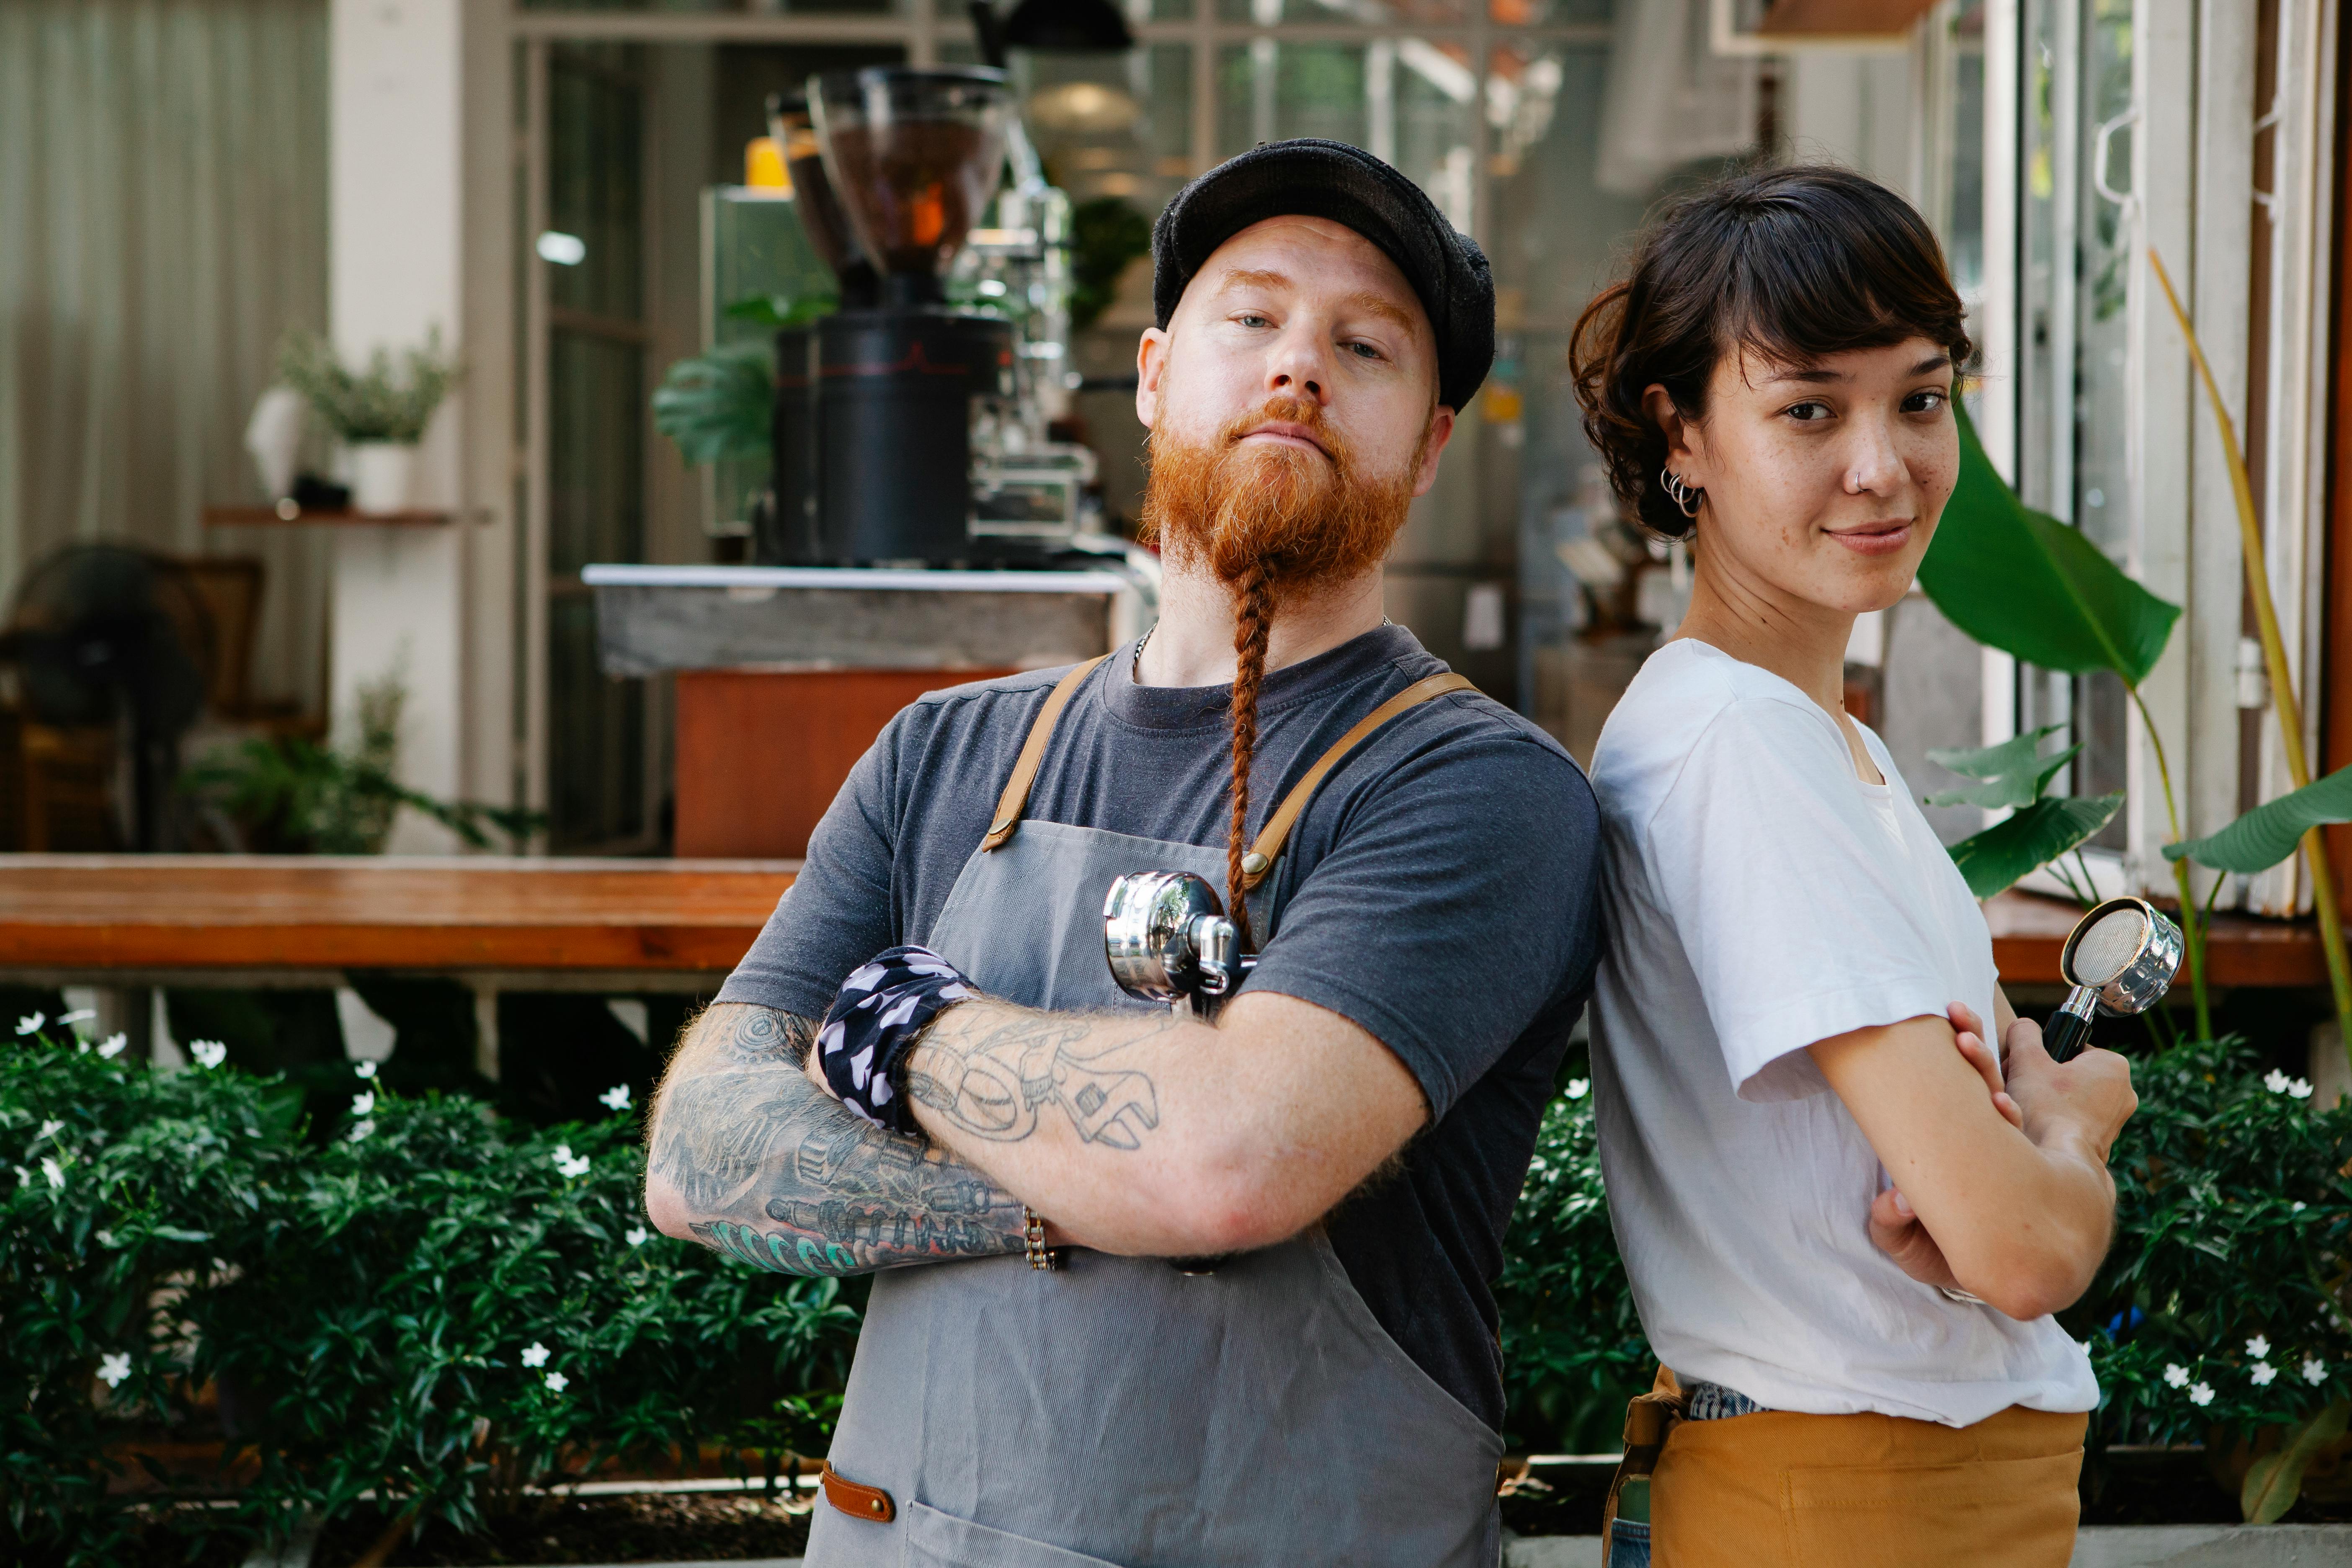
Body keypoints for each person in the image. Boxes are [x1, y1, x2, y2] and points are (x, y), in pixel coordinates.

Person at [643, 138, 1603, 1568]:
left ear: (1431, 441)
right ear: (1154, 377)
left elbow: (1228, 1163)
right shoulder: (943, 755)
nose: (1299, 368)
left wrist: (892, 1030)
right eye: (1252, 319)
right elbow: (702, 1152)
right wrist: (1082, 1186)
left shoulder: (1478, 791)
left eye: (1366, 345)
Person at [1570, 165, 2138, 1568]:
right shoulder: (1740, 744)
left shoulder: (1806, 737)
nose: (1883, 464)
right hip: (1854, 1499)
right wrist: (2071, 1132)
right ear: (1681, 433)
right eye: (1809, 409)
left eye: (1923, 398)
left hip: (1875, 1482)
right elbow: (2020, 1252)